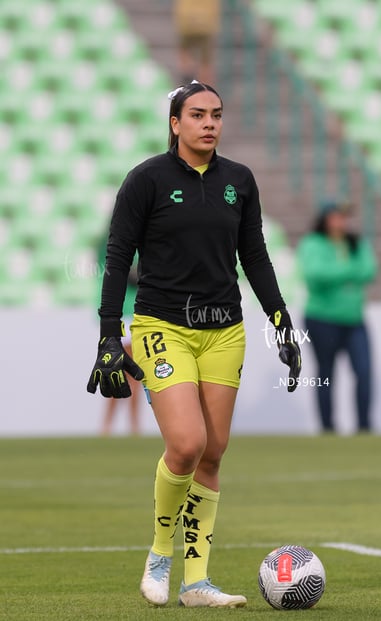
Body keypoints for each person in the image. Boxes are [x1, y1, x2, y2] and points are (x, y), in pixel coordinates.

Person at [87, 80, 301, 608]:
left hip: (224, 329)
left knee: (213, 452)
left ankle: (196, 583)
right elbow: (117, 258)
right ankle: (160, 557)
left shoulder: (240, 181)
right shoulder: (146, 181)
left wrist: (281, 320)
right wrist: (108, 334)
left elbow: (254, 255)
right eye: (198, 114)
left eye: (217, 115)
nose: (210, 123)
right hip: (162, 325)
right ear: (175, 123)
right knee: (186, 444)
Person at [297, 200, 377, 433]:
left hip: (353, 319)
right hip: (322, 318)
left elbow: (370, 270)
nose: (341, 221)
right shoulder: (312, 243)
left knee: (364, 372)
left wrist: (338, 273)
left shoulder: (355, 242)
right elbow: (314, 274)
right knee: (326, 373)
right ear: (325, 219)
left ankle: (364, 426)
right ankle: (328, 427)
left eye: (344, 217)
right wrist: (350, 271)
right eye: (336, 216)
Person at [96, 234, 141, 436]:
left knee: (124, 375)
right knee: (125, 375)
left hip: (130, 316)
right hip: (127, 317)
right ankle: (127, 426)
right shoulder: (115, 248)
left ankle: (116, 426)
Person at [173, 0, 221, 85]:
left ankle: (190, 82)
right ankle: (203, 87)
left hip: (189, 21)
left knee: (190, 57)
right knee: (205, 62)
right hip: (204, 23)